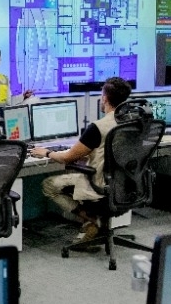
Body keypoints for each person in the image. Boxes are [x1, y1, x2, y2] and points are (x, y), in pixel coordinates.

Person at [30, 76, 131, 243]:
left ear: (105, 98)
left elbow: (66, 158)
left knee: (49, 185)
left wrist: (46, 153)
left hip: (99, 185)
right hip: (125, 186)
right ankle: (94, 224)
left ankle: (90, 219)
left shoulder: (98, 127)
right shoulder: (131, 123)